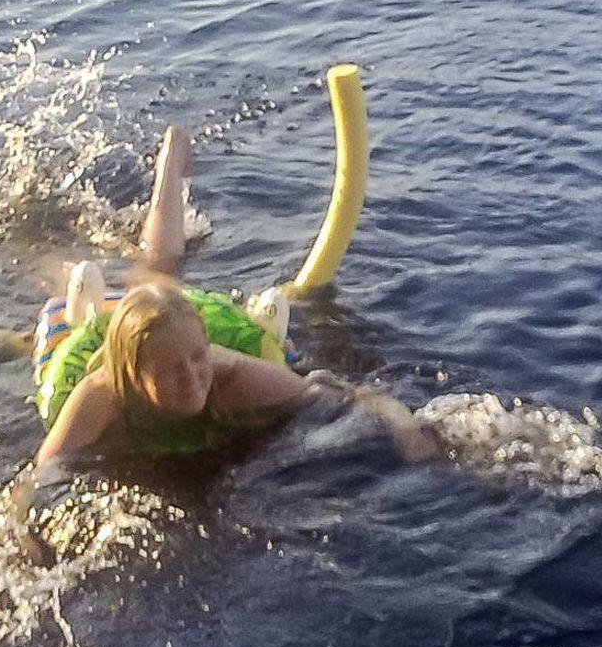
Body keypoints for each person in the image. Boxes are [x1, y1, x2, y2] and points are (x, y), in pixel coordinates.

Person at [30, 125, 438, 475]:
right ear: (134, 375)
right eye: (171, 371)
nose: (192, 379)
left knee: (159, 269)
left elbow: (351, 394)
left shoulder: (232, 377)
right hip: (124, 333)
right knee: (113, 273)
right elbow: (37, 476)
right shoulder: (100, 395)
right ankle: (44, 248)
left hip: (180, 319)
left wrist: (405, 428)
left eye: (196, 358)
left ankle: (171, 160)